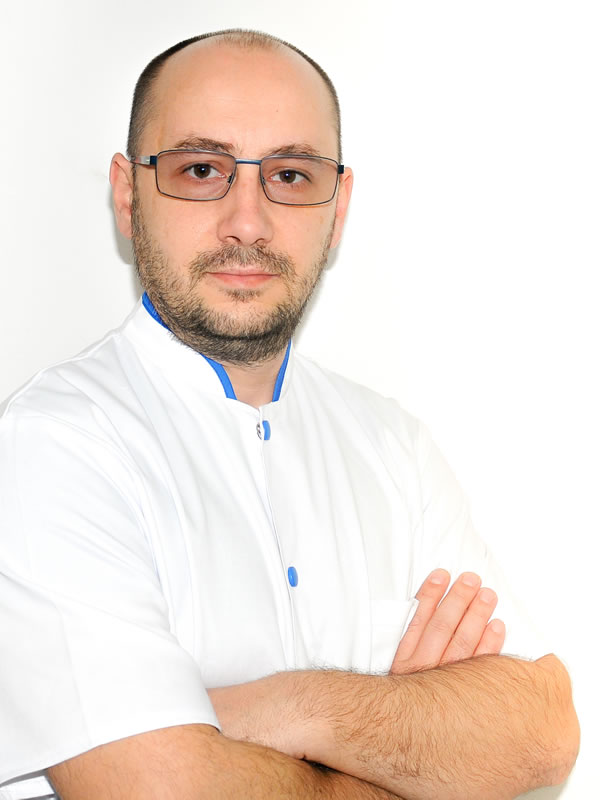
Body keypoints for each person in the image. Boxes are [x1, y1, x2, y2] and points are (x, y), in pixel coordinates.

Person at [0, 29, 578, 800]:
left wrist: (289, 707)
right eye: (201, 170)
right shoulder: (53, 446)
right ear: (127, 194)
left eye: (291, 175)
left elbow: (542, 733)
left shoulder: (393, 448)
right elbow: (158, 789)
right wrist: (405, 752)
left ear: (338, 209)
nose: (248, 222)